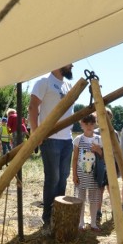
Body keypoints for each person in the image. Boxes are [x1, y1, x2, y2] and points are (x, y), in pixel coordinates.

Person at [28, 64, 75, 227]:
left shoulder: (68, 85)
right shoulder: (44, 82)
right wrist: (35, 133)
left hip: (67, 140)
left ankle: (58, 213)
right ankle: (48, 217)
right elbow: (33, 107)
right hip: (51, 139)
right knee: (53, 178)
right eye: (69, 62)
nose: (72, 65)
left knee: (63, 177)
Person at [72, 113, 103, 231]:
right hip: (81, 174)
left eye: (91, 123)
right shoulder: (78, 139)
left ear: (95, 124)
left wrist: (99, 150)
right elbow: (74, 158)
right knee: (80, 198)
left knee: (94, 199)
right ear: (81, 124)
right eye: (86, 123)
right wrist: (74, 174)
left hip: (94, 175)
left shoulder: (99, 139)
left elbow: (104, 157)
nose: (89, 126)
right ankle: (81, 223)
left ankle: (93, 223)